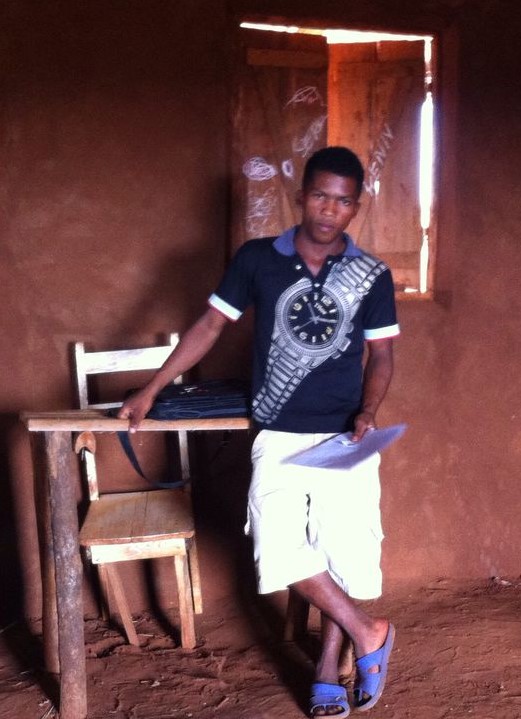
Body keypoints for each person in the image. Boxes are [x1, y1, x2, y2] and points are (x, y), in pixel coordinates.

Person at [118, 146, 399, 718]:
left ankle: (327, 670)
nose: (329, 210)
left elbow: (383, 356)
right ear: (300, 196)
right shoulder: (257, 259)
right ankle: (370, 631)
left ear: (356, 207)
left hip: (345, 436)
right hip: (279, 432)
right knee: (275, 547)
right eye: (319, 196)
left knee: (343, 551)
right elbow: (210, 325)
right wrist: (152, 388)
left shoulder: (372, 275)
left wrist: (368, 410)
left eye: (343, 201)